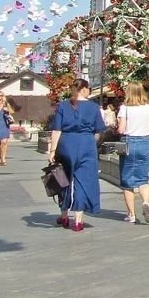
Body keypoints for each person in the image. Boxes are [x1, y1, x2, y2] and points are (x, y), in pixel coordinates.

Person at [47, 78, 103, 232]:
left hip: (66, 143)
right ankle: (78, 220)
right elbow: (98, 132)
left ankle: (64, 215)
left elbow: (57, 130)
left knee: (63, 179)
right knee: (84, 181)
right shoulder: (93, 107)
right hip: (86, 144)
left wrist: (52, 150)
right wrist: (91, 143)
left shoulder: (63, 106)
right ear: (84, 89)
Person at [117, 81, 149, 225]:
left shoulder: (125, 108)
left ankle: (131, 214)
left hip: (129, 142)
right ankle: (145, 202)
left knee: (127, 180)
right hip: (144, 141)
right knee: (143, 178)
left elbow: (121, 129)